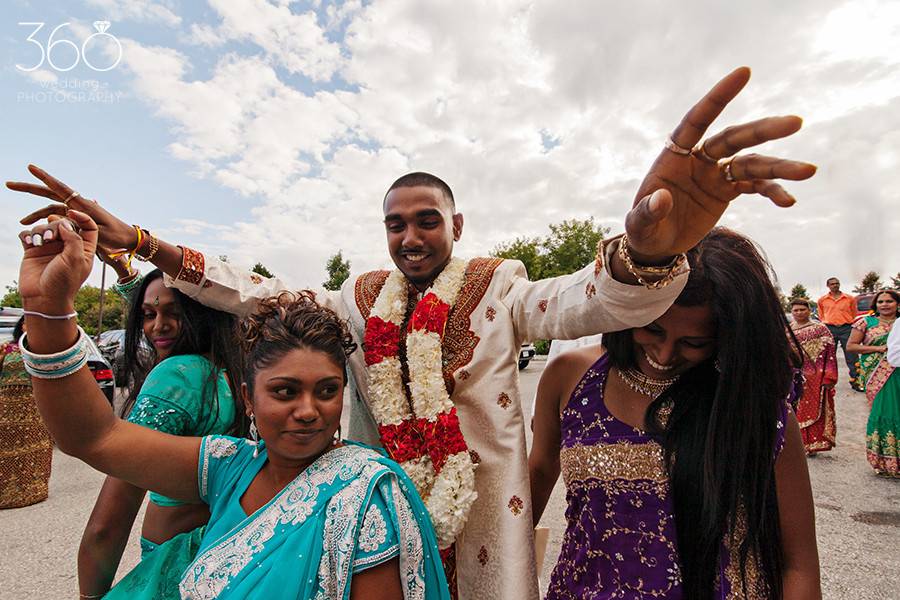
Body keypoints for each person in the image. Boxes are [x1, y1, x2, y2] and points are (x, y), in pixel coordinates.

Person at [10, 67, 816, 599]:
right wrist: (144, 244)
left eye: (426, 221)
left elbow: (588, 302)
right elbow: (258, 294)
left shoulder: (499, 287)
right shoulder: (362, 300)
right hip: (377, 517)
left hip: (490, 525)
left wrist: (650, 250)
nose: (410, 238)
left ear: (455, 224)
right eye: (394, 225)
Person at [14, 212, 450, 599]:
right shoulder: (228, 466)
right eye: (284, 391)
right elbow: (95, 437)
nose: (307, 410)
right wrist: (47, 308)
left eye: (326, 390)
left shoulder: (365, 494)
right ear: (247, 397)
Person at [529, 228, 821, 599]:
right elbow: (535, 479)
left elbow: (798, 563)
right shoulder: (569, 377)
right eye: (652, 329)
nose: (664, 355)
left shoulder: (752, 407)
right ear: (627, 309)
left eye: (694, 343)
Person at [77, 269, 245, 599]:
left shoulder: (175, 376)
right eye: (148, 315)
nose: (157, 326)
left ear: (203, 314)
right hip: (228, 554)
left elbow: (108, 523)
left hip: (172, 566)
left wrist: (90, 596)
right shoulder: (235, 372)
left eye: (174, 314)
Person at [0, 316, 53, 509]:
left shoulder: (42, 350)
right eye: (27, 323)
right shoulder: (7, 348)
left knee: (35, 448)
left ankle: (32, 490)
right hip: (6, 407)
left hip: (34, 407)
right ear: (21, 326)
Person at [847, 289, 900, 477]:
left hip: (899, 370)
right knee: (884, 412)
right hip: (878, 375)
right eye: (881, 302)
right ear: (875, 305)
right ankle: (885, 461)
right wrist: (879, 348)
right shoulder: (865, 323)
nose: (885, 305)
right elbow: (851, 346)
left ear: (897, 304)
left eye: (889, 301)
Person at [789, 297, 838, 455]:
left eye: (802, 309)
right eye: (796, 310)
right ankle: (797, 444)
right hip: (794, 374)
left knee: (813, 408)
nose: (799, 313)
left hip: (815, 375)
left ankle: (812, 444)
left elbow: (830, 354)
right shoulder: (788, 330)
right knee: (794, 407)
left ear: (809, 311)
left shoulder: (820, 329)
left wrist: (829, 376)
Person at [817, 277, 860, 391]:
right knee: (828, 356)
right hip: (830, 328)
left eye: (837, 283)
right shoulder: (822, 300)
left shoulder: (849, 298)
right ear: (828, 286)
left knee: (852, 356)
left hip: (846, 328)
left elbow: (854, 313)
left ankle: (856, 380)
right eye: (832, 284)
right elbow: (821, 315)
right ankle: (827, 381)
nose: (835, 285)